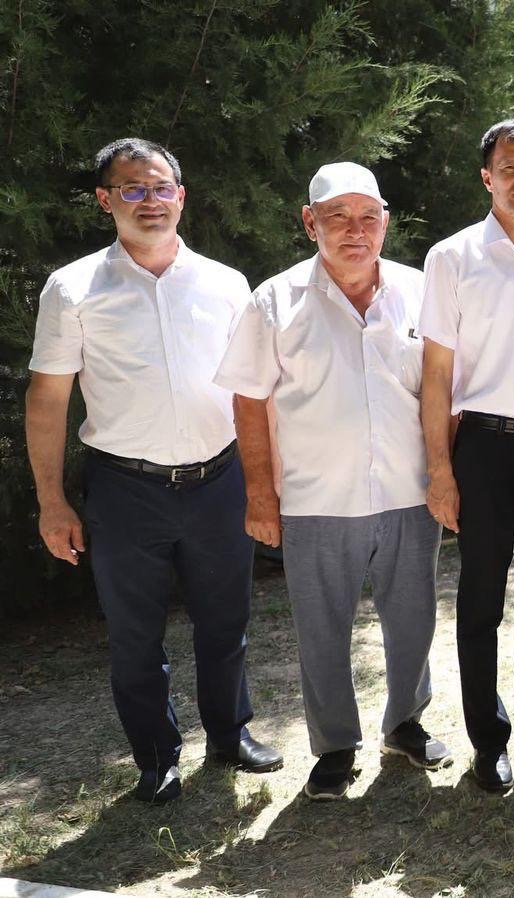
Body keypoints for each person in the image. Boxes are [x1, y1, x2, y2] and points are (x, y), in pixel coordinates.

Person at [24, 138, 282, 803]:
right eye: (131, 189)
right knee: (135, 637)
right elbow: (48, 398)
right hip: (124, 490)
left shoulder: (226, 284)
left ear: (181, 196)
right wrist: (52, 501)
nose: (149, 201)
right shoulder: (73, 288)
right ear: (105, 199)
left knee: (225, 624)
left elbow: (255, 391)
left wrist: (266, 482)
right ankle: (156, 757)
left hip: (219, 482)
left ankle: (229, 735)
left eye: (161, 187)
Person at [214, 162, 448, 800]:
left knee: (414, 620)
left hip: (409, 491)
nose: (355, 230)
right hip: (315, 497)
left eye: (368, 216)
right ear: (309, 221)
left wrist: (445, 474)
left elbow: (442, 390)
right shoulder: (274, 300)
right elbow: (249, 400)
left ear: (385, 223)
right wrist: (260, 494)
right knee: (321, 628)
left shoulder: (421, 291)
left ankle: (405, 723)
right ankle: (335, 745)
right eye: (337, 217)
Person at [418, 119, 514, 793]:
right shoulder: (451, 258)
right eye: (509, 168)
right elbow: (435, 374)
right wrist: (440, 470)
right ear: (487, 177)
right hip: (481, 446)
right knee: (481, 599)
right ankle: (489, 739)